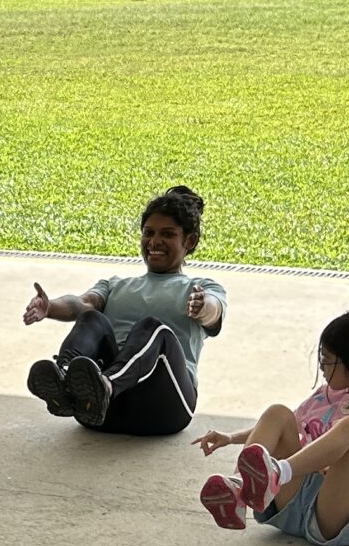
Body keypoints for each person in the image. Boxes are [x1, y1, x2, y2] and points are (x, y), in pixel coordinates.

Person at [196, 307, 349, 546]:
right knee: (277, 412)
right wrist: (231, 437)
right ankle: (240, 489)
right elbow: (282, 429)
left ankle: (277, 473)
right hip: (297, 500)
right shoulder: (326, 396)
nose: (321, 367)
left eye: (327, 360)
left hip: (346, 512)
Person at [23, 185, 225, 436]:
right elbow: (82, 304)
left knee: (153, 327)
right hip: (100, 413)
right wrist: (50, 306)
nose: (155, 241)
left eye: (167, 234)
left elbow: (214, 313)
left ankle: (106, 385)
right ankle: (68, 387)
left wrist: (203, 306)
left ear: (190, 241)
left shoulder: (200, 288)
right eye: (148, 233)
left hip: (164, 409)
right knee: (92, 317)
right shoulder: (115, 284)